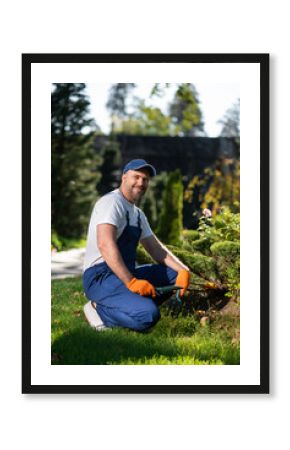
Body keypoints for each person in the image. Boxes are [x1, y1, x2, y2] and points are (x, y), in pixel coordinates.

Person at [83, 159, 190, 332]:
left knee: (173, 275)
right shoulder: (111, 202)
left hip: (125, 272)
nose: (141, 183)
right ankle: (98, 309)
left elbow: (156, 249)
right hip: (100, 276)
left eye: (145, 179)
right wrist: (131, 282)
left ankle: (129, 303)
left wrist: (183, 270)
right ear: (124, 177)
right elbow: (105, 244)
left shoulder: (138, 214)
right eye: (136, 177)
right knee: (148, 316)